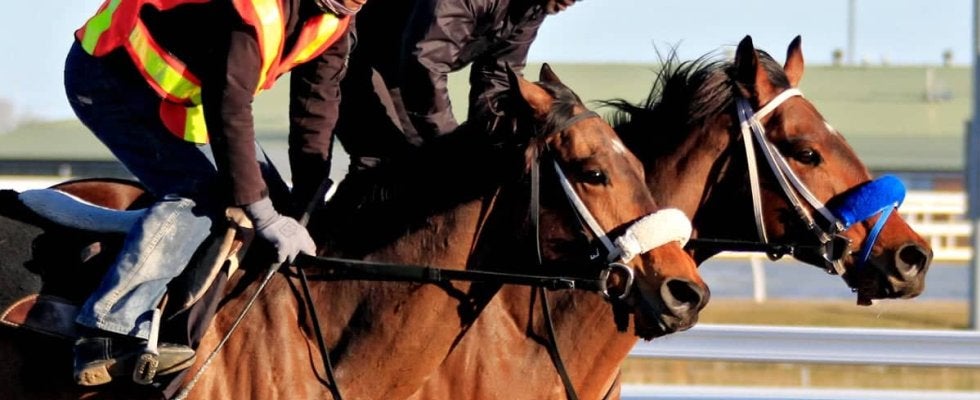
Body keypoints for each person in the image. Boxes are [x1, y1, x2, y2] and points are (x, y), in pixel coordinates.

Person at [64, 0, 366, 386]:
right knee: (201, 194)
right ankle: (107, 331)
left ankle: (188, 329)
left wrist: (305, 203)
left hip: (188, 96)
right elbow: (231, 107)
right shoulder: (256, 7)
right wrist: (264, 214)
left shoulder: (337, 19)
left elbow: (315, 110)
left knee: (269, 198)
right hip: (109, 77)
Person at [334, 0, 580, 171]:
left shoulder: (531, 9)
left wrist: (488, 148)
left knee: (428, 161)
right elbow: (425, 65)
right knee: (383, 161)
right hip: (357, 58)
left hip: (400, 72)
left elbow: (498, 78)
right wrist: (453, 142)